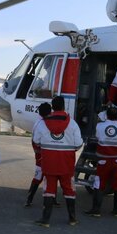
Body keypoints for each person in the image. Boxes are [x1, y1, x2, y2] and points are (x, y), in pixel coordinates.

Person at [32, 96, 83, 227]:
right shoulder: (72, 123)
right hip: (66, 163)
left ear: (52, 107)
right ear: (64, 106)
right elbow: (78, 144)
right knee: (69, 190)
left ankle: (46, 220)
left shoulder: (43, 123)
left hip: (49, 163)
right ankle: (72, 219)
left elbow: (36, 141)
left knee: (49, 189)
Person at [85, 106, 117, 218]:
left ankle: (96, 210)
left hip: (103, 161)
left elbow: (97, 136)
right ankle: (116, 210)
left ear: (106, 115)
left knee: (99, 185)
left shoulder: (99, 127)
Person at [25, 102, 52, 207]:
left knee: (40, 176)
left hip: (40, 154)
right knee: (41, 176)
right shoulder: (43, 123)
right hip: (42, 154)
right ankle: (30, 198)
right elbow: (36, 141)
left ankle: (30, 198)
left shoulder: (38, 122)